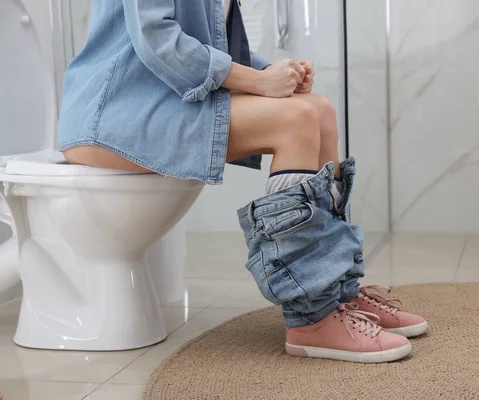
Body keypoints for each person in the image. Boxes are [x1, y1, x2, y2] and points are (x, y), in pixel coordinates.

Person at [57, 0, 428, 363]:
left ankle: (337, 292)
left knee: (320, 110)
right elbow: (157, 38)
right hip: (117, 110)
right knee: (296, 119)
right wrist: (261, 81)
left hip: (163, 99)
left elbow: (219, 46)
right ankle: (312, 318)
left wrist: (282, 74)